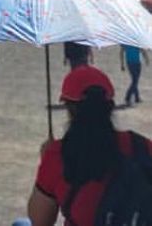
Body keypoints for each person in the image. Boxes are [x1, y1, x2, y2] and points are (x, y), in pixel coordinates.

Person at [27, 67, 152, 226]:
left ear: (70, 109)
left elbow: (40, 221)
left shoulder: (57, 154)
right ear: (110, 106)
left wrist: (45, 159)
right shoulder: (140, 146)